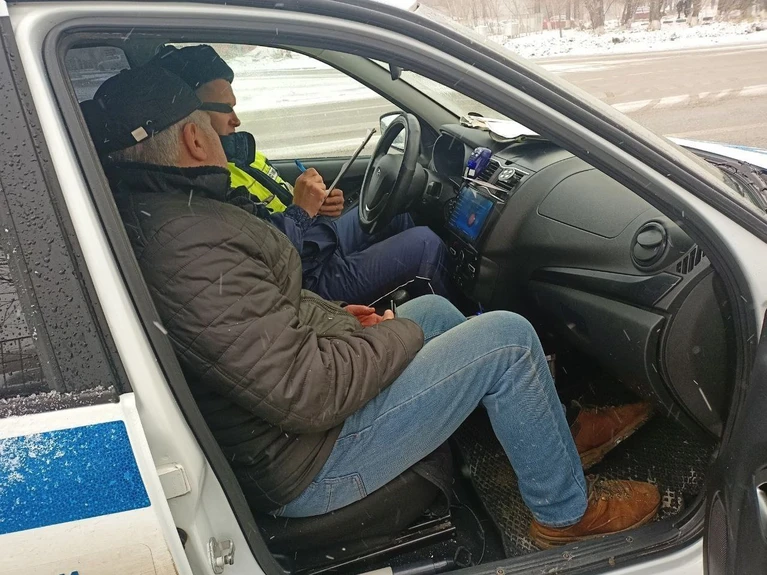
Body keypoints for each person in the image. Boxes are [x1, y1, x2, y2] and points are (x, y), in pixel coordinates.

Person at [87, 65, 660, 548]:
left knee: (434, 314)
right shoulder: (190, 244)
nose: (225, 133)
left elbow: (269, 315)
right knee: (507, 339)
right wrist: (389, 334)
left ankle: (548, 444)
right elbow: (307, 391)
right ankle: (564, 515)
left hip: (288, 436)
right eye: (212, 125)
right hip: (309, 466)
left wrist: (341, 320)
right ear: (194, 140)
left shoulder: (171, 218)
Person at [150, 44, 450, 305]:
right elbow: (266, 258)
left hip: (310, 243)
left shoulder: (238, 155)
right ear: (192, 122)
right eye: (226, 108)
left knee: (396, 214)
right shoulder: (206, 188)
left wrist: (316, 208)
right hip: (305, 279)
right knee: (426, 244)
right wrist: (301, 212)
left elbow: (274, 218)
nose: (236, 120)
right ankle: (461, 324)